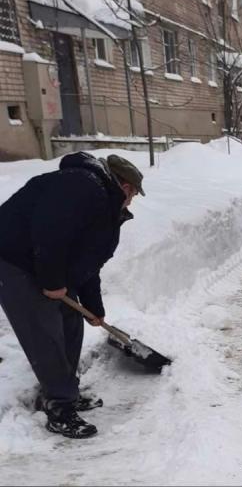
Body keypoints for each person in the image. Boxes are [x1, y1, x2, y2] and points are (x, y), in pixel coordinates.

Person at [0, 152, 144, 439]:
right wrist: (52, 280)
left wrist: (94, 307)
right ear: (126, 187)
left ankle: (66, 392)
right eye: (133, 194)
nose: (131, 201)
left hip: (42, 261)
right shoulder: (82, 185)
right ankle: (59, 408)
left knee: (71, 322)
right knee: (45, 332)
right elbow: (49, 231)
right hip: (14, 261)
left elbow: (87, 263)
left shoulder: (101, 202)